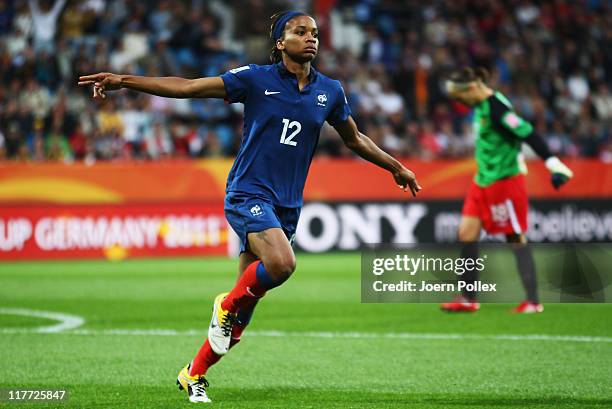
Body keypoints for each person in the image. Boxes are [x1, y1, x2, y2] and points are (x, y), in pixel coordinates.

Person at [78, 11, 421, 403]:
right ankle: (224, 304)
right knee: (282, 264)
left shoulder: (331, 91)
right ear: (280, 42)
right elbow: (189, 87)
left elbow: (354, 138)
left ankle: (193, 373)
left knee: (243, 313)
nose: (311, 38)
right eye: (299, 31)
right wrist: (124, 80)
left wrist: (396, 167)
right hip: (248, 193)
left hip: (287, 205)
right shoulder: (255, 79)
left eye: (315, 33)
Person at [440, 67, 573, 314]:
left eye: (459, 97)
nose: (457, 102)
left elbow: (529, 133)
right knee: (466, 232)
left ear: (472, 88)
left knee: (514, 238)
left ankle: (533, 302)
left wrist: (553, 164)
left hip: (505, 181)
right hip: (482, 181)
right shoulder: (479, 107)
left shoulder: (498, 109)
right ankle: (468, 298)